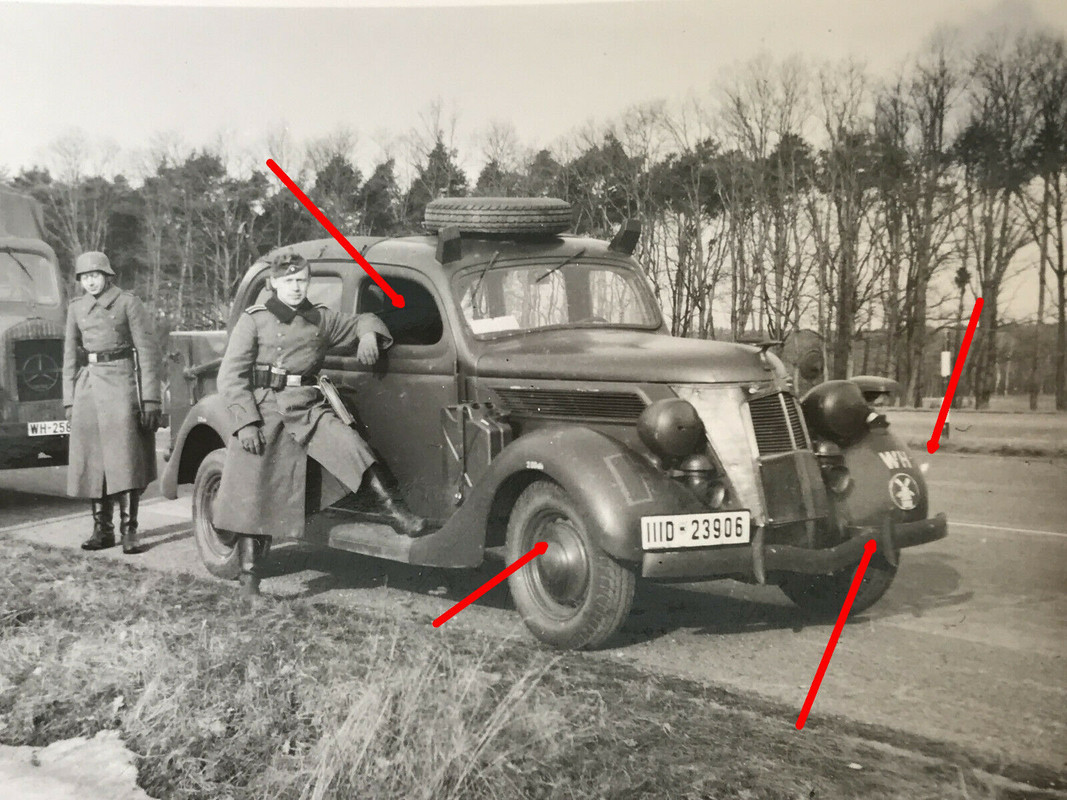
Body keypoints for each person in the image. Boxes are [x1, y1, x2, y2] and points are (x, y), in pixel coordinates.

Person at [213, 252, 428, 596]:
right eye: (288, 281)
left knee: (352, 446)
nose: (296, 287)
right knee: (256, 487)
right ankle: (250, 581)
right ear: (274, 284)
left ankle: (397, 515)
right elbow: (230, 377)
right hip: (265, 410)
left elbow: (363, 319)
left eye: (302, 280)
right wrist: (246, 422)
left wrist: (368, 335)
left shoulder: (319, 318)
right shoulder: (254, 320)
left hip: (306, 406)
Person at [62, 251, 162, 555]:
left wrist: (151, 398)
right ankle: (102, 531)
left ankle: (129, 532)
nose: (91, 282)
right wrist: (69, 400)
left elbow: (148, 352)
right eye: (85, 277)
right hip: (89, 387)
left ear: (107, 276)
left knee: (126, 459)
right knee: (94, 461)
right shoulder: (76, 308)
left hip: (121, 383)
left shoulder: (127, 302)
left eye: (96, 276)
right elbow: (69, 357)